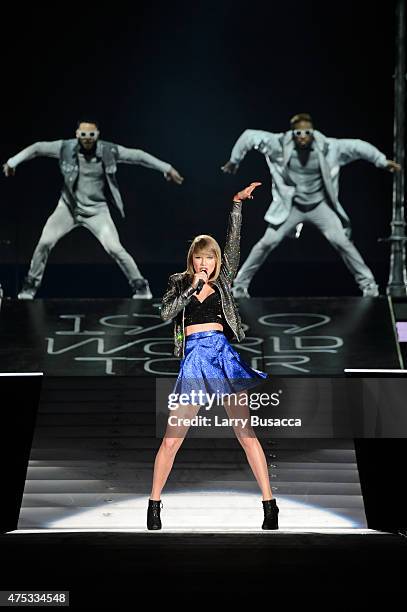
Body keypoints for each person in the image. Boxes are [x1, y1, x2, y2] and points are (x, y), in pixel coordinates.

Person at [147, 182, 279, 531]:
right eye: (199, 257)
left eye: (210, 257)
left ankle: (269, 505)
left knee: (245, 431)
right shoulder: (179, 282)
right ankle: (154, 505)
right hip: (194, 359)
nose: (205, 262)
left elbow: (234, 245)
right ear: (191, 259)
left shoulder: (223, 283)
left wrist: (237, 204)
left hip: (221, 355)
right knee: (172, 439)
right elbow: (165, 314)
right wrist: (191, 286)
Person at [221, 113, 401, 298]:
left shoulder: (329, 147)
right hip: (292, 207)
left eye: (307, 132)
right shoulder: (279, 144)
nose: (303, 136)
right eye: (298, 133)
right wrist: (235, 160)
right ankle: (239, 286)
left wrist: (381, 160)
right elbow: (250, 136)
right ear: (292, 133)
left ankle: (369, 286)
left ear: (313, 132)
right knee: (267, 242)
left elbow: (358, 146)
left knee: (342, 242)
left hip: (319, 206)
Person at [3, 118, 184, 299]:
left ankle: (141, 287)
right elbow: (37, 148)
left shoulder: (108, 150)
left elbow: (138, 156)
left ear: (97, 135)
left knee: (114, 248)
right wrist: (12, 162)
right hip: (68, 208)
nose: (87, 138)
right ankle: (29, 288)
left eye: (91, 135)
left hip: (97, 211)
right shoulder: (65, 147)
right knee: (44, 243)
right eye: (83, 134)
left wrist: (166, 168)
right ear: (77, 135)